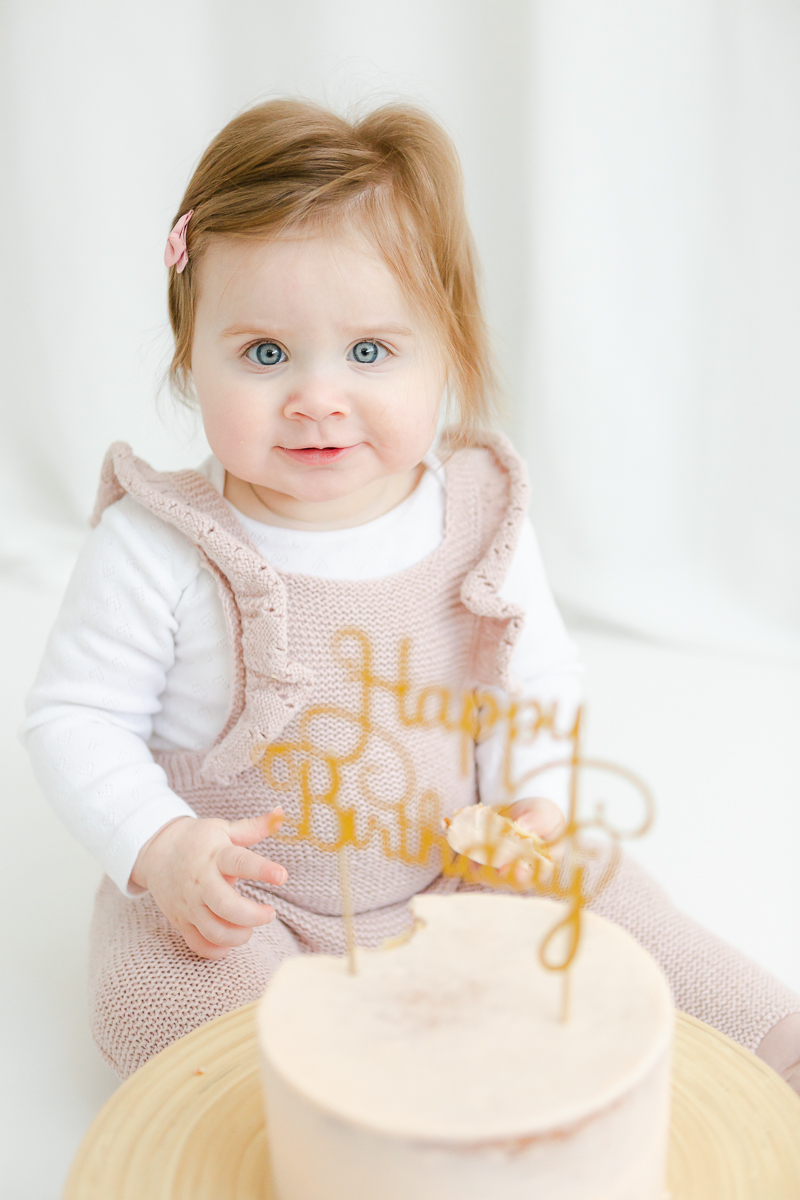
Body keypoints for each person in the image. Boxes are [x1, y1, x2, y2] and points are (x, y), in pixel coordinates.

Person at [21, 99, 800, 1087]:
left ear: (448, 356)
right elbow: (74, 719)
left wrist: (531, 800)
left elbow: (537, 675)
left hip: (458, 871)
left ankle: (767, 1038)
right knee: (168, 992)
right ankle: (314, 1120)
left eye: (369, 352)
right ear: (189, 355)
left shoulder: (477, 519)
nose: (315, 396)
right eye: (263, 353)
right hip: (246, 906)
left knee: (604, 900)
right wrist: (163, 847)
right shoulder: (158, 543)